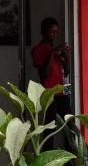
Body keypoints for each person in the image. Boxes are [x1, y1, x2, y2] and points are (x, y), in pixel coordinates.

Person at [31, 17, 73, 149]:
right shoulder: (38, 50)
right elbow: (44, 73)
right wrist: (52, 53)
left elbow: (66, 72)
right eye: (51, 32)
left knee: (69, 127)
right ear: (43, 32)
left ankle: (70, 165)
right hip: (49, 93)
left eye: (56, 32)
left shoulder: (55, 49)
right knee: (49, 128)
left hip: (64, 90)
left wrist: (66, 57)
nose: (54, 35)